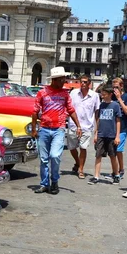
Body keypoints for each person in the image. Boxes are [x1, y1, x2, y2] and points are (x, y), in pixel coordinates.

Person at [31, 66, 82, 195]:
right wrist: (34, 129)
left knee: (54, 155)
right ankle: (44, 184)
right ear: (55, 80)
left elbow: (71, 110)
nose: (64, 82)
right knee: (43, 159)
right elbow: (35, 111)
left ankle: (54, 181)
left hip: (58, 129)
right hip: (44, 129)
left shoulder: (65, 94)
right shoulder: (42, 93)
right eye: (62, 79)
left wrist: (78, 126)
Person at [67, 75, 100, 179]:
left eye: (85, 82)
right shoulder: (73, 93)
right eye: (81, 82)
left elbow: (97, 112)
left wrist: (96, 129)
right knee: (72, 147)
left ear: (89, 83)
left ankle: (81, 169)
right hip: (73, 125)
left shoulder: (94, 96)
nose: (83, 84)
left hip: (87, 126)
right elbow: (68, 108)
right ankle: (77, 162)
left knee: (83, 147)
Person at [88, 85, 121, 185]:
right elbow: (98, 120)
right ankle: (96, 176)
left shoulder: (115, 105)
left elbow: (118, 121)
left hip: (111, 135)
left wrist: (117, 136)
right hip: (101, 134)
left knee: (112, 156)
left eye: (104, 93)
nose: (102, 95)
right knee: (98, 155)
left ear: (110, 94)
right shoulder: (101, 105)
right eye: (101, 93)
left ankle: (116, 174)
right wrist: (96, 133)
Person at [111, 77, 127, 178]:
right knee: (112, 151)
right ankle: (115, 170)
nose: (115, 89)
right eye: (113, 87)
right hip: (112, 127)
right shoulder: (112, 96)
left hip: (123, 127)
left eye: (116, 87)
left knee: (119, 149)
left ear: (121, 86)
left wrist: (119, 99)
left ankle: (121, 169)